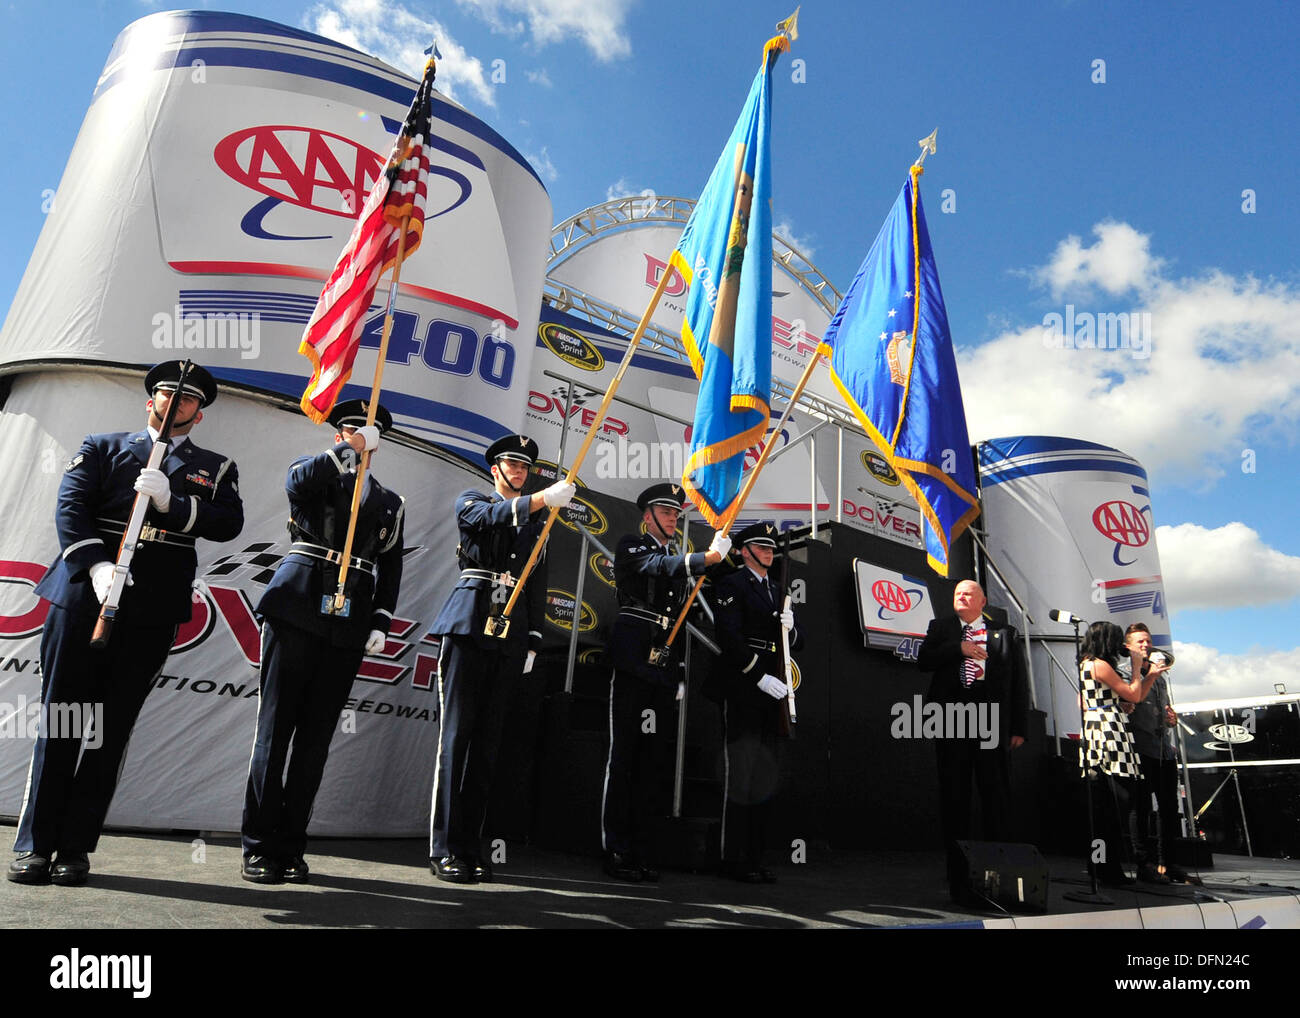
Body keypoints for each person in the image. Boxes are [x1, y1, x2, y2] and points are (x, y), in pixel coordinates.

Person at [8, 361, 243, 887]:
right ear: (150, 401)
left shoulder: (216, 466)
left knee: (108, 733)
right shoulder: (102, 446)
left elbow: (229, 523)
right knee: (63, 720)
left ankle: (74, 848)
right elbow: (71, 508)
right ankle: (34, 846)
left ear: (198, 415)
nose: (175, 402)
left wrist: (172, 502)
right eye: (167, 393)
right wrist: (94, 566)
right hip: (85, 593)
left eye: (187, 399)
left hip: (154, 603)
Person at [241, 399, 405, 884]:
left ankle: (291, 844)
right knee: (275, 733)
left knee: (315, 741)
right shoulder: (316, 473)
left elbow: (390, 567)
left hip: (349, 619)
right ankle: (258, 844)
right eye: (350, 429)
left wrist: (381, 620)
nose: (358, 436)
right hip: (297, 605)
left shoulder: (390, 502)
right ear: (338, 434)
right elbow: (295, 484)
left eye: (367, 431)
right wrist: (349, 450)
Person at [427, 434, 574, 883]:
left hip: (510, 634)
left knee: (489, 745)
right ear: (495, 468)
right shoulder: (472, 499)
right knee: (456, 741)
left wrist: (532, 641)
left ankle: (470, 846)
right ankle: (445, 848)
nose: (519, 470)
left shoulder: (538, 524)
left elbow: (538, 583)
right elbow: (489, 518)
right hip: (471, 621)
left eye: (525, 466)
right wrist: (540, 500)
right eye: (511, 463)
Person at [601, 483, 730, 882]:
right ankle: (617, 848)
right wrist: (704, 557)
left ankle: (641, 848)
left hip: (661, 660)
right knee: (624, 758)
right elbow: (659, 567)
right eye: (666, 512)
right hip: (633, 654)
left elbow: (677, 619)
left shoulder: (677, 558)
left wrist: (677, 674)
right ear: (648, 516)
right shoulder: (632, 546)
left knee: (652, 761)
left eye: (676, 513)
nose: (674, 518)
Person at [916, 579, 1028, 902]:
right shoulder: (941, 628)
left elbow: (1018, 682)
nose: (961, 597)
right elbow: (924, 661)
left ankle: (1000, 877)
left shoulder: (1004, 634)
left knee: (997, 798)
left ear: (983, 601)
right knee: (955, 799)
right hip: (952, 722)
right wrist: (959, 649)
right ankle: (959, 880)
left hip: (992, 724)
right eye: (957, 594)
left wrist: (1019, 726)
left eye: (968, 594)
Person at [712, 522, 801, 883]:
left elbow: (799, 641)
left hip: (774, 684)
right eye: (761, 547)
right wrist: (757, 676)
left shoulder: (778, 589)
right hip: (744, 683)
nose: (768, 552)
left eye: (770, 547)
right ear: (743, 551)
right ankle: (732, 857)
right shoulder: (732, 584)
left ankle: (754, 857)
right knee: (741, 773)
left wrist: (791, 627)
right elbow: (729, 638)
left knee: (764, 775)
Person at [1076, 620, 1160, 886]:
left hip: (1103, 728)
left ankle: (1100, 866)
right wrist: (1138, 668)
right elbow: (1134, 695)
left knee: (1109, 808)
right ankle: (1106, 868)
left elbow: (1132, 697)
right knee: (1115, 804)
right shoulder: (1100, 665)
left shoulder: (1088, 665)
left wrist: (1152, 676)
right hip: (1108, 734)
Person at [1120, 623, 1199, 885]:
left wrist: (1171, 719)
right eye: (1140, 642)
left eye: (1148, 641)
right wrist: (1148, 676)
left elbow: (1163, 713)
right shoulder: (1123, 673)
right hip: (1138, 749)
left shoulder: (1161, 678)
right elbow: (1128, 704)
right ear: (1128, 646)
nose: (1145, 645)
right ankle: (1144, 864)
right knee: (1140, 809)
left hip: (1163, 750)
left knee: (1169, 808)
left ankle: (1170, 863)